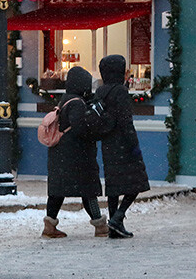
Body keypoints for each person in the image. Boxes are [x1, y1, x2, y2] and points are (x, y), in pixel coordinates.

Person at [43, 66, 108, 238]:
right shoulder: (77, 103)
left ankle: (49, 226)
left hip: (61, 155)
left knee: (57, 192)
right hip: (77, 157)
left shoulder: (65, 99)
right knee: (88, 191)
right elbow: (81, 129)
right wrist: (95, 126)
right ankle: (100, 226)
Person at [89, 55, 149, 239]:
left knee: (113, 186)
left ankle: (116, 225)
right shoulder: (120, 92)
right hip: (123, 144)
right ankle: (118, 217)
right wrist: (134, 145)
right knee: (137, 182)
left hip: (108, 144)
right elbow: (126, 122)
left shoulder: (100, 92)